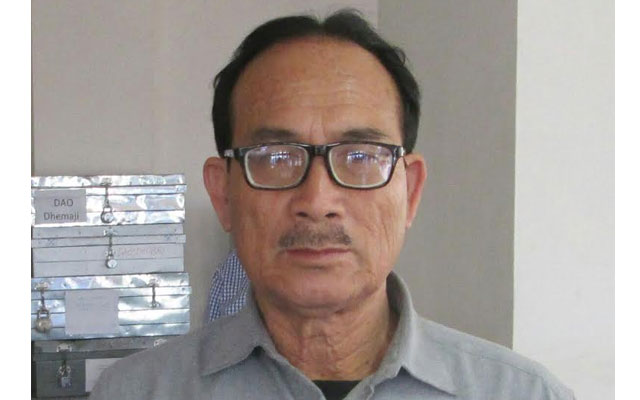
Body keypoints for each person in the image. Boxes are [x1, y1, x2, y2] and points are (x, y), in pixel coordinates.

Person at [90, 10, 575, 400]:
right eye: (276, 158)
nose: (317, 201)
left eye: (360, 157)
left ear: (410, 191)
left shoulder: (521, 393)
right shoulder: (136, 392)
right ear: (224, 194)